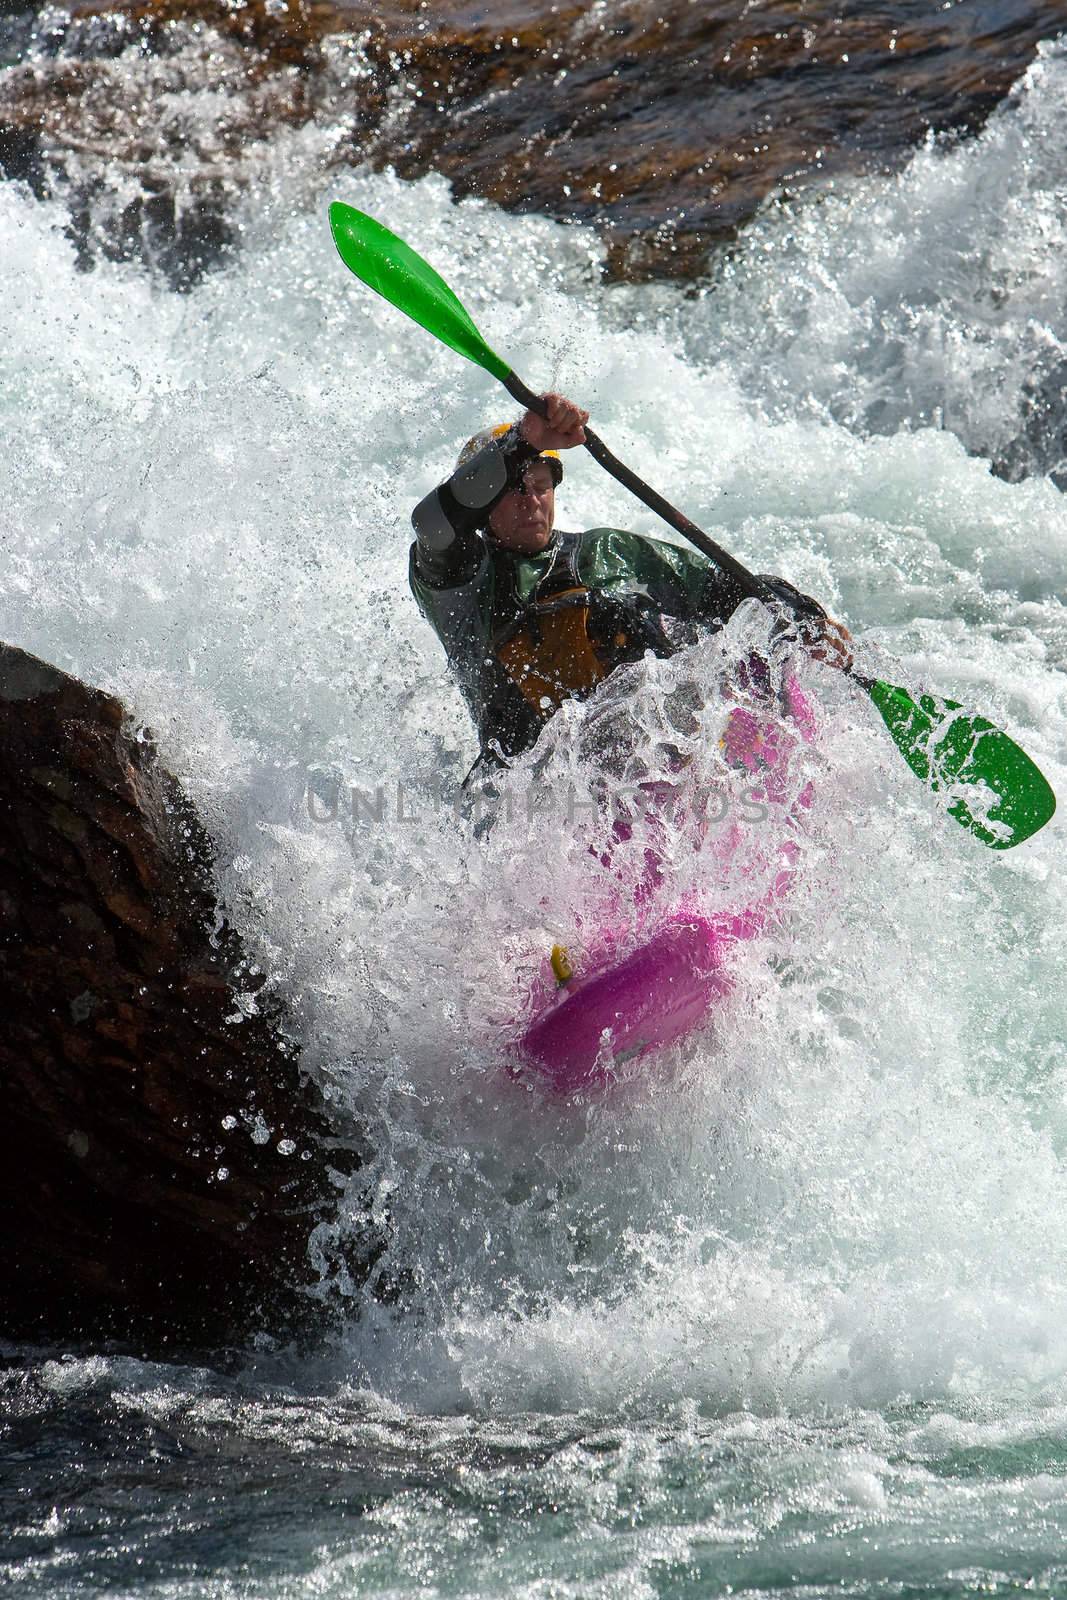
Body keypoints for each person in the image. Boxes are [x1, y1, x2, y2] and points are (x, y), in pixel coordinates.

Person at [410, 392, 850, 768]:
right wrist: (523, 441)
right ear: (482, 507)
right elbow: (432, 524)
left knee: (741, 646)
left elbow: (728, 593)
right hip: (540, 789)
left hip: (654, 763)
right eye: (514, 490)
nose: (531, 502)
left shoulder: (607, 553)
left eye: (540, 486)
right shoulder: (460, 587)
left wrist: (802, 618)